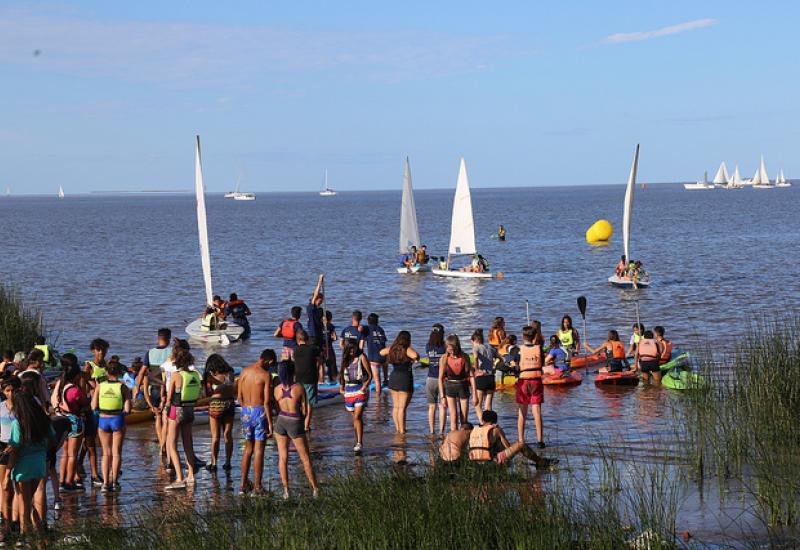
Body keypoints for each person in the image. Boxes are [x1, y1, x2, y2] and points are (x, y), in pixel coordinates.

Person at [7, 389, 53, 540]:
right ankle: (39, 532)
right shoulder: (43, 420)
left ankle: (24, 534)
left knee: (24, 501)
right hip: (39, 464)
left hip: (23, 466)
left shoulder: (18, 423)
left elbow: (15, 448)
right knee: (29, 500)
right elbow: (52, 439)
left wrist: (8, 472)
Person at [273, 360, 318, 499]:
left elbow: (276, 408)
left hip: (281, 420)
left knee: (283, 457)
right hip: (295, 420)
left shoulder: (276, 389)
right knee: (305, 458)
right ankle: (315, 489)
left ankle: (286, 491)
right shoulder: (299, 387)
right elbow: (305, 410)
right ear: (293, 371)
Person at [163, 346, 201, 490]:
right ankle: (191, 476)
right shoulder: (195, 375)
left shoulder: (176, 375)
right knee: (188, 444)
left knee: (171, 444)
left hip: (176, 410)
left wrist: (166, 410)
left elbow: (169, 397)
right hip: (190, 411)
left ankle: (179, 478)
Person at [237, 350, 274, 495]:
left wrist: (246, 409)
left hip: (245, 411)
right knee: (259, 450)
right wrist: (270, 423)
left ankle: (243, 485)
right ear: (269, 361)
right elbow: (266, 401)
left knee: (247, 449)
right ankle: (257, 487)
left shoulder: (244, 372)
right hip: (259, 412)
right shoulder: (265, 375)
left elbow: (239, 396)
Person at [92, 359, 131, 492]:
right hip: (117, 420)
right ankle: (114, 482)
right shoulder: (123, 387)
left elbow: (93, 406)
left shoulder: (100, 386)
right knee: (116, 453)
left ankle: (105, 484)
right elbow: (128, 410)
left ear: (106, 372)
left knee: (105, 453)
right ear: (120, 372)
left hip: (103, 420)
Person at [52, 354, 88, 493]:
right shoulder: (74, 390)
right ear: (76, 376)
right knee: (73, 454)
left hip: (61, 420)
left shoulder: (60, 385)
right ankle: (69, 481)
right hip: (74, 422)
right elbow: (85, 404)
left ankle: (62, 481)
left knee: (65, 453)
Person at [467, 411, 554, 467]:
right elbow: (507, 447)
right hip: (489, 463)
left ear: (482, 420)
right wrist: (501, 433)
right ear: (495, 421)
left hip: (475, 463)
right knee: (520, 444)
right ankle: (540, 462)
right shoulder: (495, 429)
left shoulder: (474, 430)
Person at [140, 328, 172, 456]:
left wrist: (137, 389)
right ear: (169, 338)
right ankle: (165, 444)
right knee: (166, 418)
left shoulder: (150, 352)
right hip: (167, 389)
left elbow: (143, 373)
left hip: (153, 389)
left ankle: (161, 443)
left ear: (157, 338)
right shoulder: (172, 352)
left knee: (157, 416)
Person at [380, 331, 419, 434]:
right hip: (404, 379)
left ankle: (398, 429)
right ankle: (402, 431)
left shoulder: (393, 348)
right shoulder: (406, 348)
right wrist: (413, 359)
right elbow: (416, 355)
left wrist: (393, 349)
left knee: (396, 406)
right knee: (402, 408)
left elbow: (381, 352)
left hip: (393, 378)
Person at [203, 354, 236, 472]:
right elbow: (232, 389)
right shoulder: (230, 373)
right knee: (228, 434)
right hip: (229, 403)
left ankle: (214, 462)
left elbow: (208, 393)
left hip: (216, 403)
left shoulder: (211, 376)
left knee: (215, 436)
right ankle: (228, 462)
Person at [339, 341, 372, 453]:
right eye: (350, 349)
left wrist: (365, 387)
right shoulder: (345, 360)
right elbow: (342, 375)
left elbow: (370, 375)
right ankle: (357, 439)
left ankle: (359, 442)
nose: (352, 351)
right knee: (355, 419)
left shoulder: (362, 357)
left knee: (357, 417)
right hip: (348, 391)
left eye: (354, 349)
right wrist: (341, 388)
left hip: (359, 389)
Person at [438, 334, 475, 432]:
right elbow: (440, 378)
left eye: (454, 349)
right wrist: (442, 397)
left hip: (463, 386)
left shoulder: (464, 357)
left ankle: (464, 440)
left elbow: (471, 376)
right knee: (453, 418)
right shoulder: (444, 358)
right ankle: (454, 441)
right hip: (450, 386)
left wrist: (475, 395)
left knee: (464, 419)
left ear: (458, 346)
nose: (452, 352)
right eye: (449, 350)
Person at [517, 325, 545, 448]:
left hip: (523, 381)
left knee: (522, 413)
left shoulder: (519, 350)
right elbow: (542, 363)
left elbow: (516, 365)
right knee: (537, 412)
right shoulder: (539, 349)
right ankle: (540, 441)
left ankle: (521, 440)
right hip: (536, 381)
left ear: (523, 337)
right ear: (534, 337)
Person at [0, 376, 20, 544]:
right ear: (3, 391)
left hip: (19, 448)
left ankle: (17, 521)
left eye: (13, 390)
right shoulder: (0, 408)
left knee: (18, 486)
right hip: (3, 447)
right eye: (7, 391)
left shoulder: (22, 408)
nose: (10, 394)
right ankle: (6, 523)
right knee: (5, 487)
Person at [293, 329, 321, 432]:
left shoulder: (295, 350)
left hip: (298, 379)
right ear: (307, 339)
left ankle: (299, 423)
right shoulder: (313, 350)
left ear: (297, 340)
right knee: (309, 403)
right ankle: (306, 425)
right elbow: (319, 362)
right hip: (310, 379)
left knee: (300, 402)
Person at [471, 329, 501, 421]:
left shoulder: (476, 347)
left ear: (473, 341)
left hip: (481, 378)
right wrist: (494, 367)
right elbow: (501, 358)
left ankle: (482, 422)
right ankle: (490, 423)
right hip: (491, 377)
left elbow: (475, 358)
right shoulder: (490, 347)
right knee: (488, 405)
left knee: (478, 404)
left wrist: (476, 370)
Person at [424, 324, 447, 435]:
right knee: (442, 406)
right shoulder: (445, 347)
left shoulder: (428, 346)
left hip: (430, 379)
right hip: (443, 380)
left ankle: (432, 431)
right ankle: (441, 431)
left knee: (431, 407)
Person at [364, 313, 388, 392]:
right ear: (377, 321)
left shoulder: (366, 329)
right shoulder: (380, 329)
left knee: (377, 381)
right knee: (385, 363)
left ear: (368, 321)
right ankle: (385, 380)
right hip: (383, 356)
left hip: (373, 358)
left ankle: (378, 400)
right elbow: (383, 342)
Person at [321, 311, 338, 382]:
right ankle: (333, 379)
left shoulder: (319, 325)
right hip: (329, 348)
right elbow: (335, 338)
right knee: (332, 365)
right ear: (330, 318)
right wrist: (330, 340)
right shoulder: (331, 326)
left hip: (321, 348)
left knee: (321, 365)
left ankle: (321, 380)